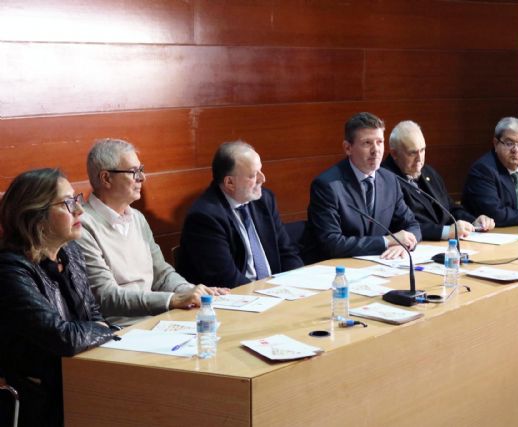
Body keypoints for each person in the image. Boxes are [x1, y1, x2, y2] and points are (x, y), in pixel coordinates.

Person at [0, 168, 117, 427]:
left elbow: (92, 315)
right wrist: (104, 330)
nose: (79, 210)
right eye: (67, 203)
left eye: (76, 199)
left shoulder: (70, 252)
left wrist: (101, 328)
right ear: (36, 216)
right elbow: (63, 338)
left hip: (78, 376)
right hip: (38, 395)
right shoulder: (10, 270)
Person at [77, 139, 228, 326]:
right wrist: (172, 300)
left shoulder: (137, 217)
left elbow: (162, 275)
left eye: (141, 170)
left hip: (157, 320)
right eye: (134, 171)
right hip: (119, 329)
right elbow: (106, 296)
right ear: (106, 178)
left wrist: (193, 291)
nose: (142, 177)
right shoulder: (82, 226)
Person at [177, 141, 303, 288]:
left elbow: (287, 253)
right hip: (238, 296)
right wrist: (269, 292)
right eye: (253, 175)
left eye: (260, 170)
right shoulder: (205, 218)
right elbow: (225, 279)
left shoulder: (264, 200)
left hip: (274, 290)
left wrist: (298, 284)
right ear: (230, 183)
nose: (263, 179)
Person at [302, 112, 421, 263]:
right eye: (367, 143)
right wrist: (386, 241)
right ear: (348, 148)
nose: (376, 150)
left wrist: (404, 245)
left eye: (380, 142)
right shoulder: (327, 186)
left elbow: (412, 225)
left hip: (380, 265)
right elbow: (332, 243)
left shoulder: (389, 180)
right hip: (338, 268)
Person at [382, 120, 495, 241]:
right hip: (418, 246)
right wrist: (446, 232)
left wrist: (474, 221)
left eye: (422, 150)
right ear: (394, 154)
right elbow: (400, 226)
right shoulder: (385, 179)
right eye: (412, 153)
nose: (419, 158)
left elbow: (450, 208)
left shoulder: (428, 171)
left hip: (446, 244)